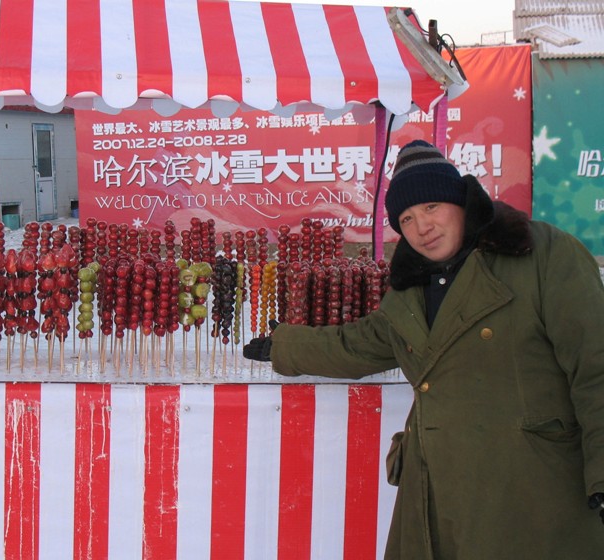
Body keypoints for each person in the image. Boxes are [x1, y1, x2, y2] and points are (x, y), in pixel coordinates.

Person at [244, 140, 604, 559]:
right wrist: (286, 346)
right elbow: (361, 343)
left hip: (529, 489)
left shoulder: (541, 254)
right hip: (437, 489)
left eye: (432, 207)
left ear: (462, 201)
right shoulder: (411, 290)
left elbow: (595, 366)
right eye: (407, 218)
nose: (421, 228)